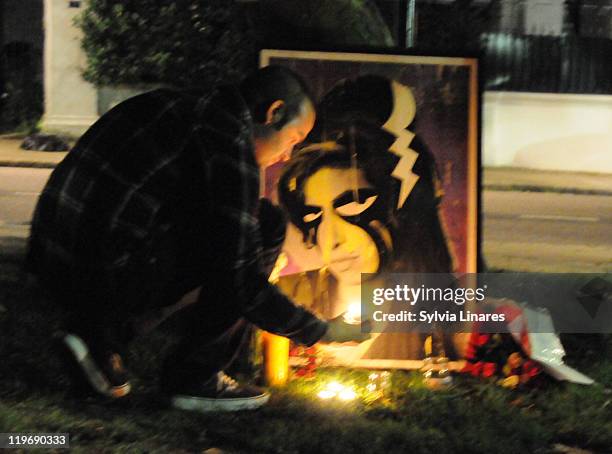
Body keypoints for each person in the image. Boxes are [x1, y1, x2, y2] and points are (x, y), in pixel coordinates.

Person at [26, 66, 367, 412]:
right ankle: (196, 376)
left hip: (49, 258)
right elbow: (241, 278)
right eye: (294, 139)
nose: (287, 156)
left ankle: (97, 337)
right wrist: (320, 332)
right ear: (273, 112)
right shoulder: (230, 138)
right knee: (264, 225)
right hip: (102, 269)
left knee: (229, 228)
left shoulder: (181, 104)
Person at [278, 75, 455, 361]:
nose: (332, 240)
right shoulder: (289, 295)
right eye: (315, 216)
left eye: (352, 207)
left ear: (399, 205)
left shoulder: (439, 314)